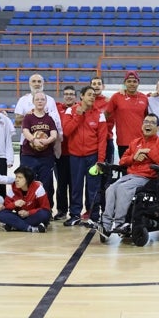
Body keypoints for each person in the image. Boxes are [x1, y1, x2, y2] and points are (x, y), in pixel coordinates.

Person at [97, 113, 159, 239]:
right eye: (146, 122)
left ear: (158, 128)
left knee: (123, 189)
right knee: (110, 188)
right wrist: (134, 157)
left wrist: (149, 152)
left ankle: (120, 223)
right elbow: (122, 161)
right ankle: (106, 223)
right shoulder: (135, 143)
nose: (148, 124)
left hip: (147, 178)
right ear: (142, 126)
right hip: (130, 176)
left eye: (152, 123)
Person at [61, 86, 108, 226]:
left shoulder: (99, 114)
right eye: (89, 94)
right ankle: (75, 215)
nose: (92, 97)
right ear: (81, 96)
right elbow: (67, 132)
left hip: (92, 156)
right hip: (75, 156)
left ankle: (93, 216)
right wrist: (78, 116)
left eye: (94, 95)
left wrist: (100, 160)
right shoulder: (71, 111)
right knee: (76, 186)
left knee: (93, 188)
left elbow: (102, 139)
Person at [20, 91, 58, 210]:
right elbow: (25, 131)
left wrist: (48, 141)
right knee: (29, 182)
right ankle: (28, 207)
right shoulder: (28, 117)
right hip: (29, 155)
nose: (40, 101)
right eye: (37, 99)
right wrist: (33, 140)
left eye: (42, 99)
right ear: (33, 102)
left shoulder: (49, 118)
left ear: (46, 102)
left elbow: (54, 134)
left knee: (46, 184)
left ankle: (46, 208)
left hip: (46, 157)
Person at [13, 73, 63, 158]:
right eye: (34, 81)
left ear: (43, 84)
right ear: (29, 84)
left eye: (39, 81)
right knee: (26, 171)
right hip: (27, 144)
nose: (37, 84)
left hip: (46, 144)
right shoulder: (23, 100)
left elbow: (57, 122)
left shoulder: (50, 100)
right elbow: (17, 122)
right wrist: (30, 116)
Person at [105, 70, 149, 159]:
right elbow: (106, 115)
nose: (132, 84)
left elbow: (147, 119)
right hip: (123, 142)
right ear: (124, 83)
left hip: (140, 141)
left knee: (140, 170)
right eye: (129, 81)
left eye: (134, 81)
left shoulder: (144, 98)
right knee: (125, 171)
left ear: (138, 83)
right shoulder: (116, 97)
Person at [0, 166, 52, 233]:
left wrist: (29, 213)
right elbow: (6, 207)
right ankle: (30, 228)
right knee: (1, 214)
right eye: (16, 177)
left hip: (33, 216)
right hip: (19, 216)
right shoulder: (13, 188)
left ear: (27, 179)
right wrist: (14, 204)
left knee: (45, 214)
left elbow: (45, 208)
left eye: (20, 177)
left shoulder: (38, 188)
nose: (16, 180)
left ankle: (15, 226)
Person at [53, 85, 77, 221]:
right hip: (60, 153)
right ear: (63, 96)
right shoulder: (56, 108)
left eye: (71, 94)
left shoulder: (79, 109)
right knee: (61, 184)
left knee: (75, 184)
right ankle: (61, 211)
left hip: (75, 153)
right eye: (66, 94)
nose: (69, 96)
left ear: (75, 96)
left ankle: (74, 211)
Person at [91, 76, 115, 163]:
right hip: (91, 142)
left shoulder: (110, 102)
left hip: (107, 140)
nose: (96, 86)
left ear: (103, 87)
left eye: (99, 84)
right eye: (94, 84)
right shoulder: (87, 102)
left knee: (107, 172)